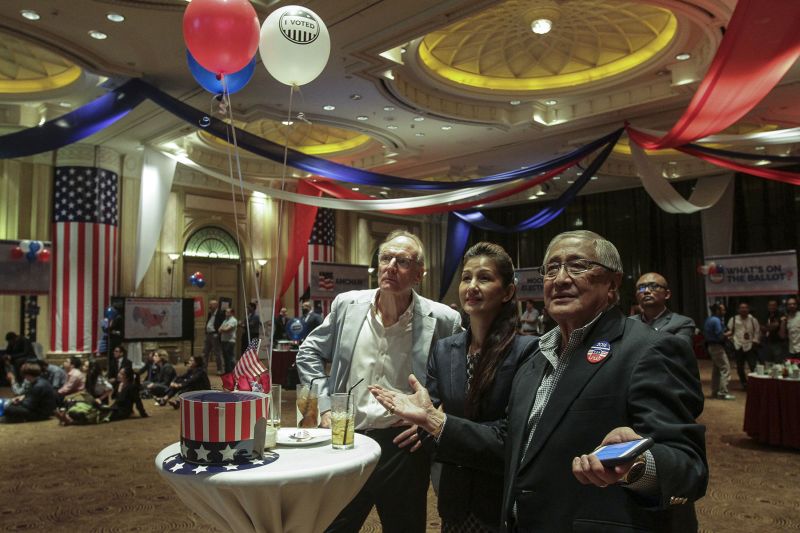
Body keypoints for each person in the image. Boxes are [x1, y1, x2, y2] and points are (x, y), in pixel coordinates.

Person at [371, 230, 707, 533]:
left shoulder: (649, 348)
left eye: (577, 266)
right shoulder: (537, 358)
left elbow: (689, 467)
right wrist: (433, 421)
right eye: (551, 269)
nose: (560, 279)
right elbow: (509, 440)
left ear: (613, 284)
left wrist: (637, 466)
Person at [296, 229, 462, 533]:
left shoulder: (443, 320)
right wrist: (323, 407)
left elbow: (459, 378)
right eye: (386, 258)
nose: (391, 266)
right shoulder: (347, 306)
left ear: (419, 273)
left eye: (403, 261)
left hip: (404, 447)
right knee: (334, 526)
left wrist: (431, 418)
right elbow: (307, 352)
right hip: (348, 440)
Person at [424, 242, 537, 531]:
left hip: (499, 500)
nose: (472, 286)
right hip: (454, 498)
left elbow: (512, 437)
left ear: (508, 291)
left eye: (484, 278)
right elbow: (431, 418)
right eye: (466, 277)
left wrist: (439, 424)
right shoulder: (443, 350)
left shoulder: (527, 351)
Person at [631, 272, 695, 344]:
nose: (646, 291)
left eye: (653, 286)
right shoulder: (628, 323)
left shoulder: (682, 323)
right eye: (641, 288)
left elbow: (679, 352)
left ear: (667, 294)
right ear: (636, 296)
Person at [703, 304, 735, 400]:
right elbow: (720, 336)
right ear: (717, 311)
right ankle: (722, 392)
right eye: (723, 310)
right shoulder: (716, 320)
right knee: (725, 369)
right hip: (717, 347)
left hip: (711, 346)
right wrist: (729, 334)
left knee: (717, 370)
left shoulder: (709, 319)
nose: (724, 312)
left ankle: (715, 391)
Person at [727, 302, 760, 390]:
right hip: (738, 346)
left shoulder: (753, 320)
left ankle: (755, 384)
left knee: (753, 366)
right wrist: (732, 341)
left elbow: (757, 332)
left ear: (748, 309)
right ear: (738, 310)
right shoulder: (733, 319)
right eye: (741, 308)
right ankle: (744, 384)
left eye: (745, 308)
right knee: (739, 367)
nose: (743, 309)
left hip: (750, 345)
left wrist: (755, 341)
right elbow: (730, 331)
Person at [202, 299, 225, 372]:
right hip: (208, 335)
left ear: (216, 305)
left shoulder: (221, 313)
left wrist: (218, 334)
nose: (209, 306)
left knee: (217, 353)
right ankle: (204, 369)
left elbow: (223, 325)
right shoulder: (210, 313)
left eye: (211, 305)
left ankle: (220, 369)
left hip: (215, 335)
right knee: (205, 353)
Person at [762, 299, 787, 364]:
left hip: (778, 343)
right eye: (770, 305)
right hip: (767, 342)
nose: (772, 307)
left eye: (774, 305)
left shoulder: (781, 315)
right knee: (768, 363)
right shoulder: (766, 315)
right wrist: (771, 326)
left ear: (777, 306)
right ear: (768, 306)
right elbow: (761, 327)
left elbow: (775, 326)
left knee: (778, 363)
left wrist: (768, 327)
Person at [219, 307, 238, 374]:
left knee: (230, 356)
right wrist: (223, 329)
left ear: (232, 313)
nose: (226, 313)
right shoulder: (225, 320)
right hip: (224, 340)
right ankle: (227, 371)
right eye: (225, 312)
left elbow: (227, 329)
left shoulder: (233, 320)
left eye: (228, 312)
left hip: (230, 341)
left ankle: (233, 371)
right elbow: (219, 329)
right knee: (225, 357)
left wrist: (223, 329)